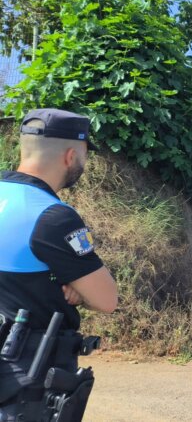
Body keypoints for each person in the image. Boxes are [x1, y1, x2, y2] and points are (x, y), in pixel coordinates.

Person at [0, 109, 118, 418]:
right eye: (85, 154)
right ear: (70, 156)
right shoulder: (53, 217)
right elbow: (106, 299)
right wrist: (77, 288)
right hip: (25, 388)